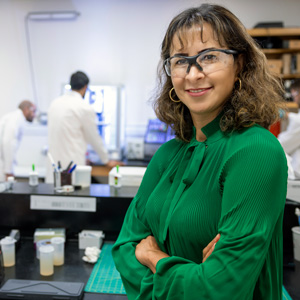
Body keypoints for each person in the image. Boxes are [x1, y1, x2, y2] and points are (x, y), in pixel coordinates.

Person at [112, 4, 288, 300]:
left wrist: (155, 259)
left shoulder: (256, 150)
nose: (193, 74)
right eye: (181, 61)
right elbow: (123, 250)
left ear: (240, 65)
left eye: (209, 57)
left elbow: (219, 290)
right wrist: (193, 278)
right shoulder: (168, 154)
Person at [46, 71, 122, 182]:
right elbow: (93, 137)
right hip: (72, 167)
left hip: (53, 167)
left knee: (54, 197)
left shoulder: (54, 104)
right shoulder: (84, 107)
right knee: (74, 197)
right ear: (85, 87)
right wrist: (106, 160)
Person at [0, 100, 36, 181]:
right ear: (26, 109)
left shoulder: (14, 117)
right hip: (2, 166)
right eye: (33, 111)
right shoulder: (16, 118)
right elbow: (8, 143)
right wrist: (8, 171)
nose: (35, 115)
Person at [278, 79, 300, 177]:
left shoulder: (297, 121)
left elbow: (282, 144)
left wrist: (287, 115)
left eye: (294, 93)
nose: (293, 97)